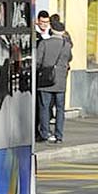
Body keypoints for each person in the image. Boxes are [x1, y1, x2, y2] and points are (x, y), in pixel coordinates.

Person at [38, 14, 73, 146]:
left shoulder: (44, 43)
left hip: (46, 80)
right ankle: (59, 135)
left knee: (44, 107)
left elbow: (38, 62)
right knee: (60, 109)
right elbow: (69, 58)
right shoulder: (67, 45)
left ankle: (45, 133)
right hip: (60, 81)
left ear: (51, 29)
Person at [34, 9, 53, 142]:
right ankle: (37, 130)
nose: (44, 25)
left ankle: (44, 128)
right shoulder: (34, 34)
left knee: (48, 105)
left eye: (46, 22)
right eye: (42, 22)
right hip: (38, 74)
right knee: (38, 104)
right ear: (38, 21)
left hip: (51, 76)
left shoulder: (52, 34)